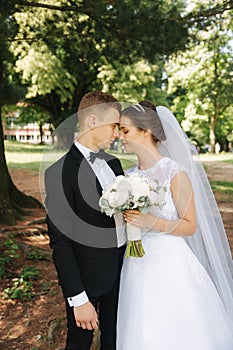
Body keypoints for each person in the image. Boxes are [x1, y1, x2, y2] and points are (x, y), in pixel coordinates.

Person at [117, 102, 233, 350]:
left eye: (125, 131)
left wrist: (150, 221)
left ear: (146, 130)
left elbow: (190, 225)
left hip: (169, 263)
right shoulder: (125, 177)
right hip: (134, 263)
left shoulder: (174, 172)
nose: (119, 136)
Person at [44, 91, 126, 350]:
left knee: (115, 340)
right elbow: (61, 242)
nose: (116, 134)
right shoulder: (58, 172)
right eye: (113, 125)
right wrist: (78, 299)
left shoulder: (114, 164)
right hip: (86, 279)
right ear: (93, 121)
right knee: (79, 343)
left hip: (122, 272)